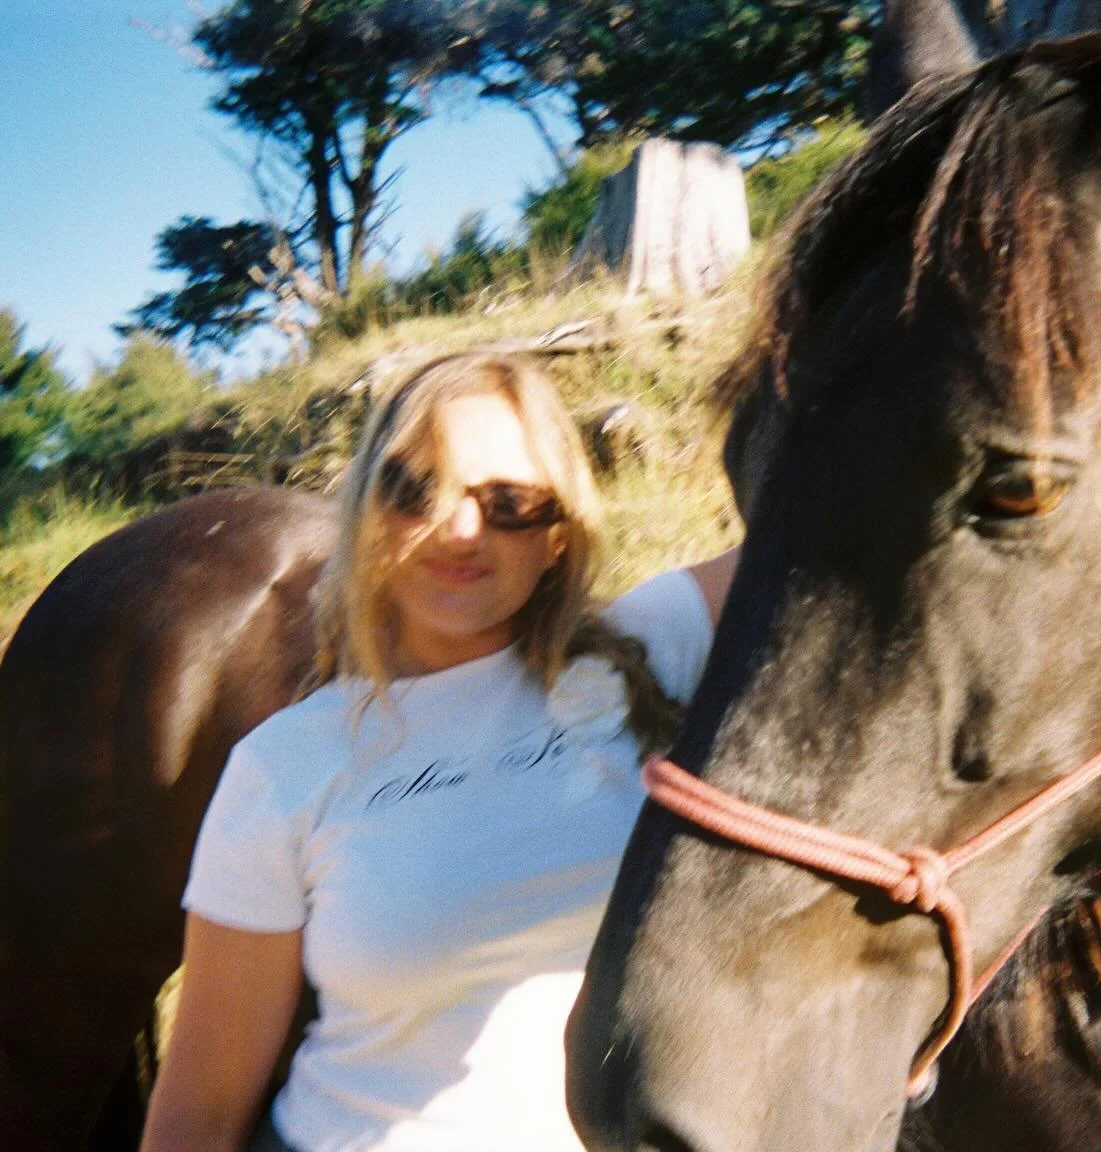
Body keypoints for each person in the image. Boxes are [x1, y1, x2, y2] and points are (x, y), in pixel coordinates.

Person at [141, 355, 737, 1152]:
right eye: (415, 489)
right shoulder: (286, 766)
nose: (461, 530)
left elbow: (855, 512)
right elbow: (199, 1114)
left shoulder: (649, 648)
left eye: (509, 502)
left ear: (558, 533)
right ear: (365, 510)